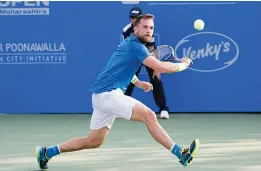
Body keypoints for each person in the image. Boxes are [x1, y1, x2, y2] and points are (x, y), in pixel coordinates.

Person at [36, 14, 199, 170]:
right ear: (135, 29)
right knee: (149, 116)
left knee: (93, 141)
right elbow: (160, 67)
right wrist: (184, 64)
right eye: (145, 27)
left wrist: (138, 82)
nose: (149, 30)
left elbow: (118, 68)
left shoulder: (131, 44)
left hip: (101, 96)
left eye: (151, 27)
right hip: (109, 94)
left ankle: (46, 152)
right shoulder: (136, 46)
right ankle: (180, 153)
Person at [123, 7, 170, 119]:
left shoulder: (147, 29)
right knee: (128, 80)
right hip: (134, 56)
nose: (134, 20)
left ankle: (163, 109)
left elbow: (151, 47)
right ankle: (122, 108)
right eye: (132, 17)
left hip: (147, 54)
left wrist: (156, 66)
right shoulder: (126, 30)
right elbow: (129, 48)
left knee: (156, 78)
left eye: (137, 17)